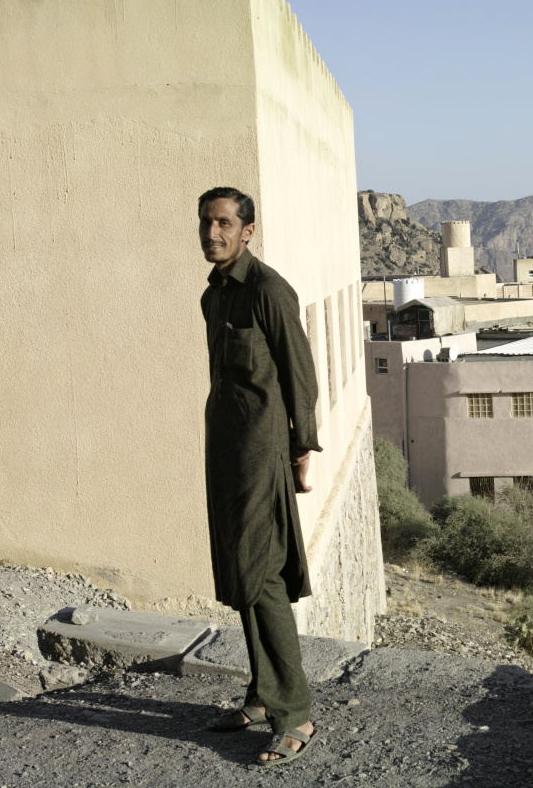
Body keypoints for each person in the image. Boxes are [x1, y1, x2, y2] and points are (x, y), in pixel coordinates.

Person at [197, 186, 321, 766]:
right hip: (223, 446)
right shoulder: (213, 296)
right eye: (207, 222)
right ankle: (259, 694)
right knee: (239, 569)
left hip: (260, 451)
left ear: (248, 231)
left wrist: (302, 447)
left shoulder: (269, 290)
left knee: (262, 574)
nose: (213, 233)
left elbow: (300, 374)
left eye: (224, 223)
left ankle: (294, 712)